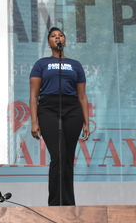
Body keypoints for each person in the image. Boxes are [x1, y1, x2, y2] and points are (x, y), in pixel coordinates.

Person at [29, 27, 90, 206]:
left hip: (72, 109)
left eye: (61, 35)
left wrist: (86, 121)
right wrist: (34, 121)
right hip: (48, 108)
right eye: (54, 36)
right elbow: (34, 96)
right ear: (49, 43)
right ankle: (55, 203)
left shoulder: (75, 65)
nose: (58, 38)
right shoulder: (41, 64)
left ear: (65, 41)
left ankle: (69, 203)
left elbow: (82, 96)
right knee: (58, 155)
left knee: (68, 157)